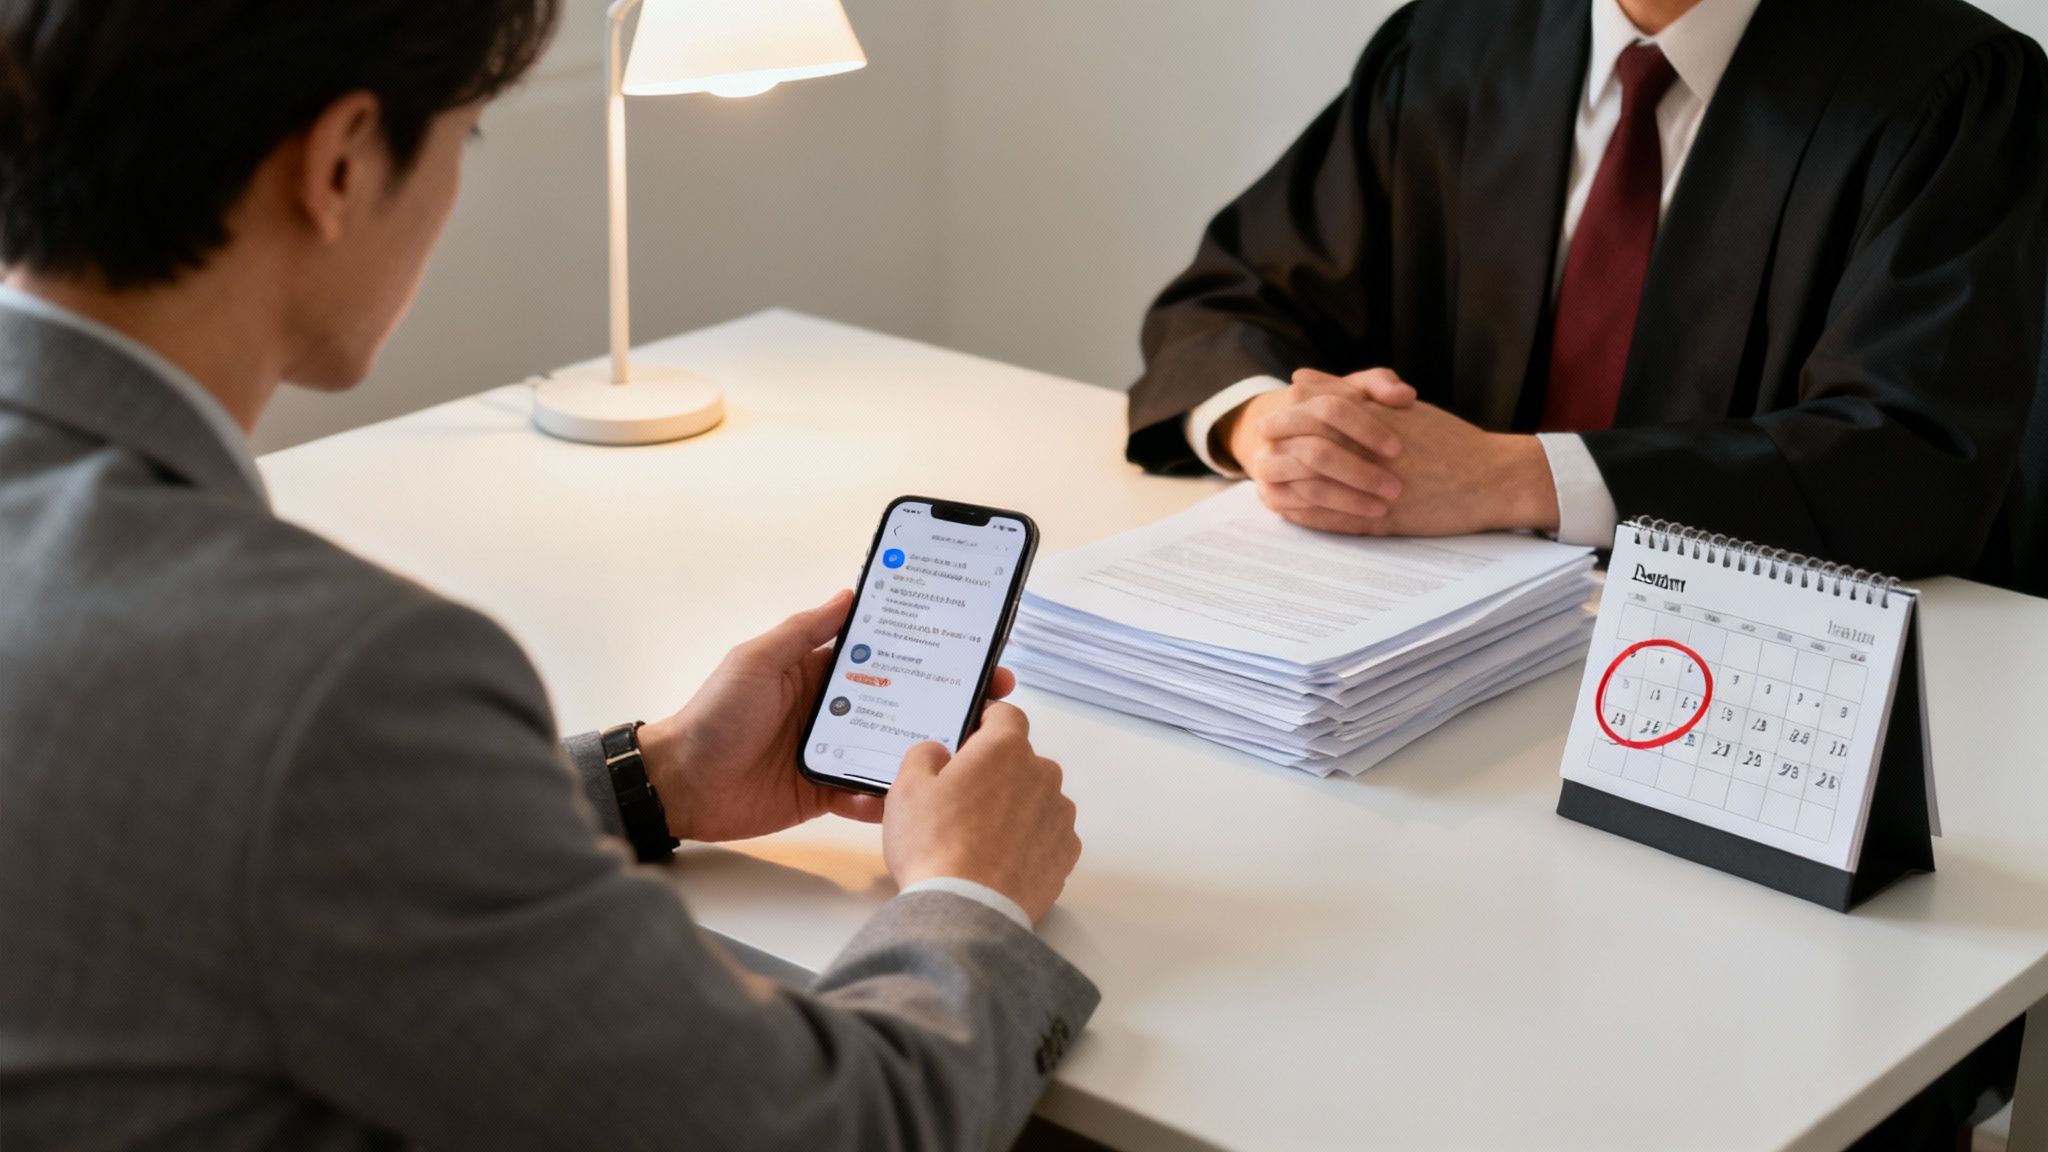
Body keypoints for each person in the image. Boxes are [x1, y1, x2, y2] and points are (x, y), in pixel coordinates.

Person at [0, 2, 1092, 1149]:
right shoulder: (342, 676)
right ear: (337, 163)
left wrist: (653, 775)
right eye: (464, 137)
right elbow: (831, 1132)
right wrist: (968, 891)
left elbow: (224, 817)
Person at [1125, 0, 2048, 586]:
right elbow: (1228, 300)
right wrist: (1274, 430)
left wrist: (1506, 476)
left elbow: (1915, 456)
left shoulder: (1949, 88)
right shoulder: (1453, 41)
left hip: (1760, 675)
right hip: (1437, 654)